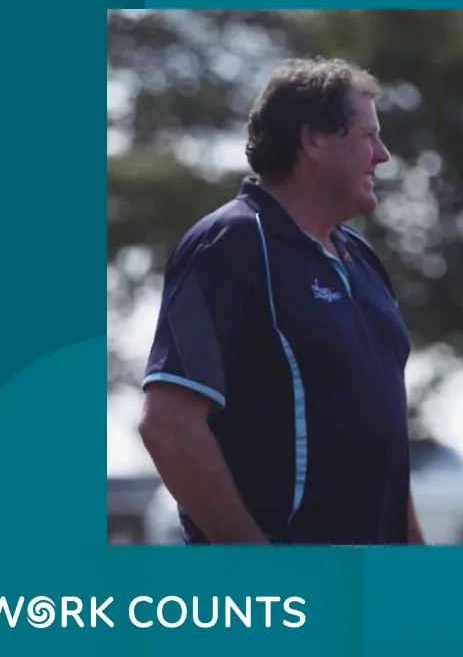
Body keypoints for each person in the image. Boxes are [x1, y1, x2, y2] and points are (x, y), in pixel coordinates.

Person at [138, 57, 425, 546]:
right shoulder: (230, 243)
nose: (383, 155)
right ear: (314, 140)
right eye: (367, 137)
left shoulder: (362, 257)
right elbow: (168, 424)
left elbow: (384, 439)